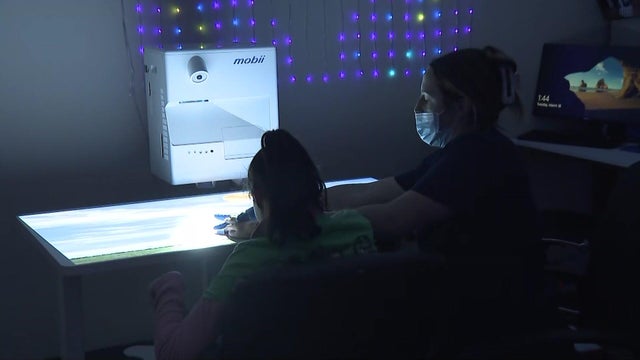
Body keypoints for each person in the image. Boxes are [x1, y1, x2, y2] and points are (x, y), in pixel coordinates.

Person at [149, 129, 376, 360]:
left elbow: (173, 353)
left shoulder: (249, 261)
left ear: (256, 195)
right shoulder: (356, 228)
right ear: (314, 183)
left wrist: (169, 289)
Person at [328, 46, 541, 264]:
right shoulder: (462, 151)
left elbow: (393, 219)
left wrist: (315, 222)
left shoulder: (476, 156)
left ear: (461, 106)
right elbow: (369, 192)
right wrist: (313, 199)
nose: (419, 106)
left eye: (427, 98)